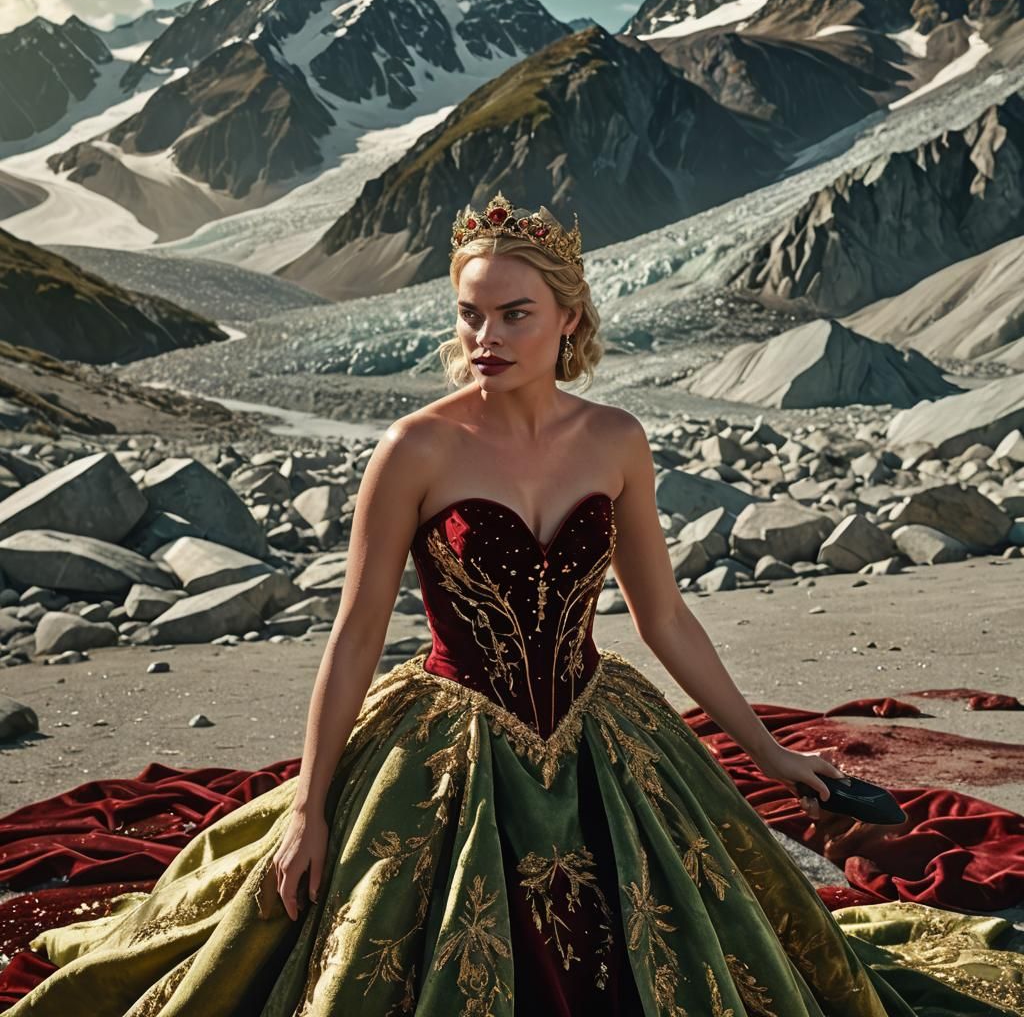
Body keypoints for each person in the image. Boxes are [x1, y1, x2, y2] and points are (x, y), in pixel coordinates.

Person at [3, 193, 1021, 1017]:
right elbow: (354, 634)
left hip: (603, 733)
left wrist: (770, 755)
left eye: (513, 313)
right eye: (468, 313)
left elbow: (664, 618)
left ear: (569, 317)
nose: (484, 336)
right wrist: (309, 808)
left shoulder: (616, 440)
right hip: (444, 741)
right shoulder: (415, 448)